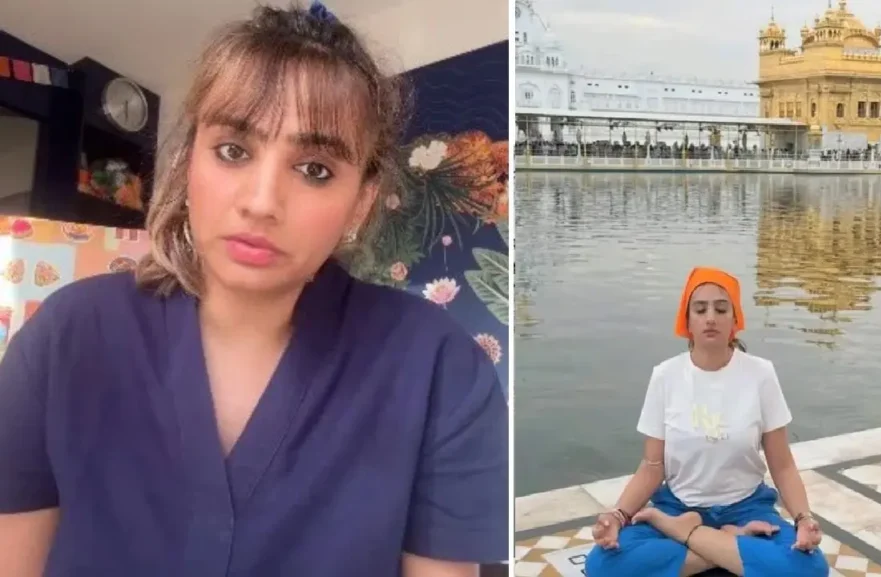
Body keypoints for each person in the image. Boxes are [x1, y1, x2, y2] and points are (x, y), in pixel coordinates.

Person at [0, 3, 507, 576]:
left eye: (315, 168)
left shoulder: (439, 370)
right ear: (189, 163)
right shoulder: (65, 337)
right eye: (233, 151)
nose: (262, 202)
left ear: (361, 202)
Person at [585, 267, 828, 577]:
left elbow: (782, 465)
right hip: (677, 506)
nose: (710, 317)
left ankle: (689, 535)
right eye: (700, 309)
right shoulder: (666, 376)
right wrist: (617, 516)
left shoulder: (760, 374)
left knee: (810, 569)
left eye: (721, 308)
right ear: (687, 321)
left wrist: (803, 518)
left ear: (735, 319)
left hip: (746, 508)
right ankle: (730, 546)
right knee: (603, 566)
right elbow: (651, 466)